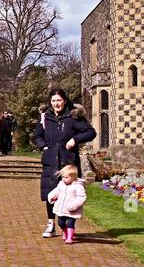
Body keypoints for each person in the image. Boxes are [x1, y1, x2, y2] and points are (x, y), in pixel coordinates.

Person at [32, 88, 96, 238]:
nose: (56, 103)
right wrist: (44, 146)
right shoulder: (45, 117)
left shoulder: (73, 116)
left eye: (59, 100)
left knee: (69, 195)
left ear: (65, 101)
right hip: (50, 161)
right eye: (53, 101)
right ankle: (50, 225)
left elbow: (91, 132)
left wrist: (75, 140)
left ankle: (68, 226)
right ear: (50, 102)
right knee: (50, 193)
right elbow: (38, 136)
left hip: (68, 162)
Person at [47, 164, 87, 243]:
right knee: (61, 223)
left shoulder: (78, 186)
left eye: (66, 177)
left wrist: (73, 206)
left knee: (70, 223)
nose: (64, 179)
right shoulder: (61, 184)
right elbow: (58, 191)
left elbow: (82, 197)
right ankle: (65, 232)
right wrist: (53, 196)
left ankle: (70, 237)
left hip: (71, 210)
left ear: (73, 177)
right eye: (63, 177)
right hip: (61, 208)